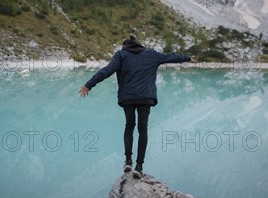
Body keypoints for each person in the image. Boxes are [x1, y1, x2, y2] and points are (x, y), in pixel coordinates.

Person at [79, 35, 191, 179]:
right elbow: (171, 57)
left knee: (129, 126)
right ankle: (139, 167)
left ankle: (128, 161)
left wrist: (89, 85)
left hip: (128, 98)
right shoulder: (151, 54)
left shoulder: (121, 55)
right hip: (146, 98)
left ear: (124, 46)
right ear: (139, 44)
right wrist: (187, 58)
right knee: (142, 129)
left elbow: (106, 71)